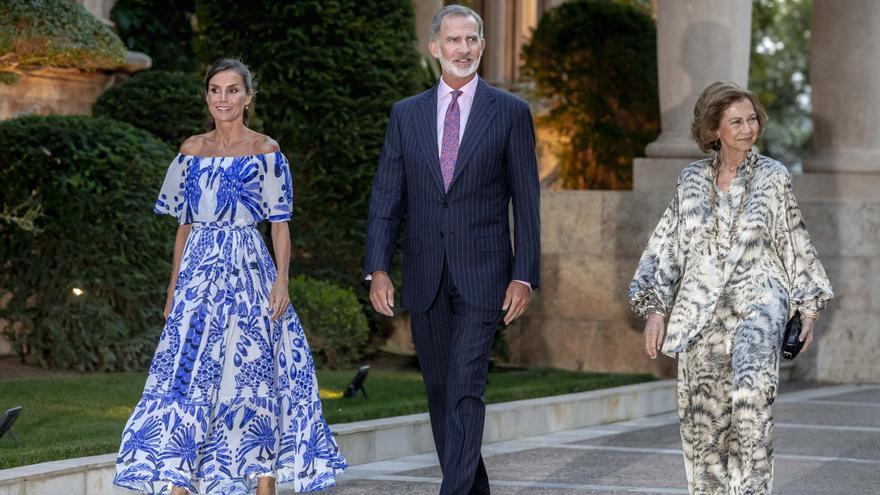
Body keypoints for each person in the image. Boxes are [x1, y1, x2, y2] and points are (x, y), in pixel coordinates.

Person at [113, 58, 346, 495]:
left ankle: (263, 482)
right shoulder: (191, 150)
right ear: (207, 97)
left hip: (249, 272)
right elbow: (183, 225)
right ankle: (179, 479)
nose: (224, 98)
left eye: (233, 90)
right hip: (198, 277)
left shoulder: (267, 150)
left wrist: (282, 281)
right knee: (186, 375)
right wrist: (172, 289)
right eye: (216, 90)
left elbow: (279, 224)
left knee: (253, 374)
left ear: (248, 97)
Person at [363, 5, 540, 494]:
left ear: (482, 46)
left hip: (485, 274)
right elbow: (387, 197)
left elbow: (526, 199)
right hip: (424, 273)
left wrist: (524, 273)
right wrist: (377, 266)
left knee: (465, 386)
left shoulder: (510, 112)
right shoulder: (406, 114)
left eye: (472, 39)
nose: (463, 49)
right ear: (435, 47)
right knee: (441, 391)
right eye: (454, 40)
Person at [629, 81, 833, 494]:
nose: (747, 128)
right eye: (735, 121)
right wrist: (655, 309)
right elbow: (668, 246)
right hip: (700, 308)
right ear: (713, 129)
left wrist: (807, 307)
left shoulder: (774, 177)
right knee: (703, 419)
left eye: (752, 119)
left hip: (760, 299)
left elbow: (793, 238)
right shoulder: (690, 180)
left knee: (752, 398)